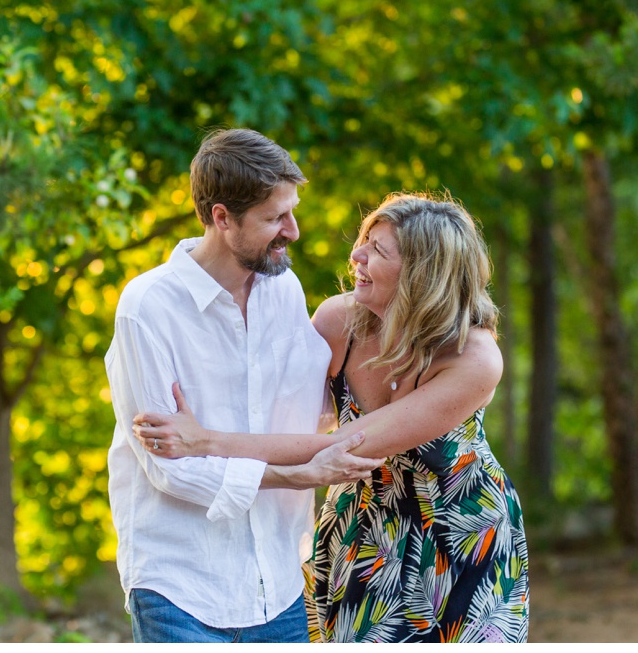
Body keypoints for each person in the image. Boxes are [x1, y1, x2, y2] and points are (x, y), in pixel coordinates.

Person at [133, 191, 530, 643]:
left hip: (461, 534)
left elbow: (348, 442)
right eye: (364, 241)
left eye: (377, 251)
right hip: (361, 532)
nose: (355, 255)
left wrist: (204, 441)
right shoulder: (340, 321)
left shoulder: (474, 357)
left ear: (423, 275)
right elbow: (277, 411)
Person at [105, 128, 383, 643]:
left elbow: (318, 408)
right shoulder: (147, 309)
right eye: (275, 218)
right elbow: (172, 471)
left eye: (292, 211)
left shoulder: (284, 290)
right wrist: (298, 474)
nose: (293, 231)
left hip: (277, 578)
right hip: (179, 583)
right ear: (221, 218)